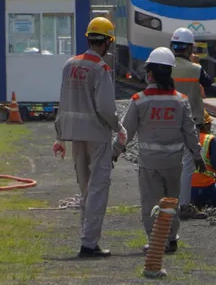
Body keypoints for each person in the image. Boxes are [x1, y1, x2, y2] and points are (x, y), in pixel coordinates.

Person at [115, 47, 205, 254]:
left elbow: (126, 131)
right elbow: (190, 131)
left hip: (150, 163)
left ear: (150, 74)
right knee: (171, 201)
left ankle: (157, 240)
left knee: (151, 203)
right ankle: (171, 238)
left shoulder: (139, 100)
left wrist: (114, 151)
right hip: (174, 163)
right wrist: (197, 155)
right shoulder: (181, 100)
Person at [52, 17, 124, 259]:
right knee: (98, 188)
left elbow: (63, 100)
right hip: (97, 134)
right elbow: (105, 107)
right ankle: (89, 243)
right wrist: (118, 127)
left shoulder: (69, 64)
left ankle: (87, 239)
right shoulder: (100, 68)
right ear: (107, 42)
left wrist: (60, 136)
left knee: (85, 189)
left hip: (74, 134)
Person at [169, 27, 209, 221]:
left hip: (167, 121)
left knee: (168, 163)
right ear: (189, 48)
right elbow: (208, 83)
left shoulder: (165, 66)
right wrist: (194, 64)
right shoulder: (196, 70)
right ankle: (183, 205)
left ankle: (165, 202)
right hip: (190, 122)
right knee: (187, 165)